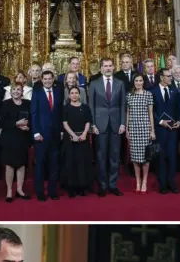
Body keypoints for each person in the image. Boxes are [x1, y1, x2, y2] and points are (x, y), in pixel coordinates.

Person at [89, 58, 126, 197]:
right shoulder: (94, 83)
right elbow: (91, 106)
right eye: (105, 66)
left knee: (114, 156)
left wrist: (123, 123)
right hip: (100, 125)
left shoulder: (120, 83)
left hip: (116, 125)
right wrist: (92, 125)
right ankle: (102, 185)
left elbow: (123, 105)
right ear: (101, 68)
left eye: (110, 66)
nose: (108, 68)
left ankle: (113, 185)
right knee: (100, 156)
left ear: (114, 67)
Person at [31, 70, 63, 201]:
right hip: (41, 135)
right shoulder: (37, 93)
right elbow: (33, 113)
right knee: (40, 165)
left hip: (55, 134)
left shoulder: (58, 92)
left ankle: (52, 191)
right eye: (45, 79)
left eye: (50, 79)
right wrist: (36, 132)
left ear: (53, 79)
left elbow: (60, 112)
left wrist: (61, 130)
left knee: (54, 164)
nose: (48, 81)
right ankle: (40, 192)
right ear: (41, 80)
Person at [0, 83, 31, 202]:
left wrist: (28, 128)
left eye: (19, 89)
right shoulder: (5, 104)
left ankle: (20, 190)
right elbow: (2, 123)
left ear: (22, 92)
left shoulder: (28, 103)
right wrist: (17, 124)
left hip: (22, 137)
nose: (16, 91)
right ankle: (9, 191)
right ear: (11, 91)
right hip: (9, 138)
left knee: (21, 164)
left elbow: (31, 120)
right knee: (10, 165)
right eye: (14, 89)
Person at [151, 68, 180, 194]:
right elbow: (151, 111)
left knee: (172, 156)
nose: (170, 78)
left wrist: (179, 120)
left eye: (171, 76)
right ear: (161, 77)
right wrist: (161, 122)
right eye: (168, 76)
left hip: (173, 129)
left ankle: (172, 183)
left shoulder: (174, 91)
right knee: (161, 157)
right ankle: (162, 184)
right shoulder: (152, 91)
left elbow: (179, 107)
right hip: (159, 129)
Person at [126, 74, 155, 193]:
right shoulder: (129, 95)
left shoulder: (148, 95)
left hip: (145, 128)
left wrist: (152, 130)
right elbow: (127, 113)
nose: (138, 82)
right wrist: (127, 129)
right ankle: (138, 181)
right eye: (136, 81)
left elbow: (151, 113)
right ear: (133, 82)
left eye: (140, 80)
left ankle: (145, 181)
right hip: (133, 129)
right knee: (135, 158)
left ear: (144, 82)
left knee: (145, 158)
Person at [61, 86, 93, 197]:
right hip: (70, 139)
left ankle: (82, 187)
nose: (74, 95)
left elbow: (88, 122)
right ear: (69, 95)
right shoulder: (66, 108)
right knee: (71, 163)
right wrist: (73, 135)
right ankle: (71, 187)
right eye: (72, 93)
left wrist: (84, 134)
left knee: (82, 162)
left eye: (76, 93)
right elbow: (65, 123)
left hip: (83, 139)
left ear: (79, 95)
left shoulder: (85, 107)